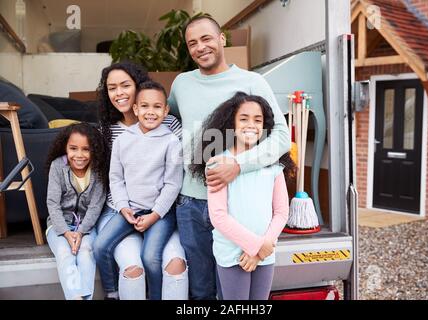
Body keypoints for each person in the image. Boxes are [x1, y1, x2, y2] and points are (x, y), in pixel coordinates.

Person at [168, 15, 291, 299]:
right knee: (200, 291)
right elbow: (166, 120)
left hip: (238, 208)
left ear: (222, 39)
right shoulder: (181, 84)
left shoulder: (252, 82)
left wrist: (237, 165)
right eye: (192, 43)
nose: (200, 47)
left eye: (206, 38)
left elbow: (282, 137)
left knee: (234, 292)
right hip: (191, 205)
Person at [94, 61, 188, 300]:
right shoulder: (116, 135)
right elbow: (115, 178)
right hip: (125, 208)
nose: (119, 92)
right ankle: (113, 293)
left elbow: (174, 181)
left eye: (125, 85)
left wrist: (155, 214)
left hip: (160, 211)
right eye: (112, 88)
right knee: (101, 246)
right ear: (136, 108)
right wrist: (124, 207)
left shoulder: (170, 134)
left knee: (150, 256)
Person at [190, 92, 293, 300]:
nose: (251, 125)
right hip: (232, 254)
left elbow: (281, 212)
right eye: (243, 119)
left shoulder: (273, 164)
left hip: (265, 254)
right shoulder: (218, 164)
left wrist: (261, 249)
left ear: (265, 127)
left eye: (258, 120)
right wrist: (255, 247)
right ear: (232, 123)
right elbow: (218, 216)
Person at [46, 123, 108, 300]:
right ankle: (75, 297)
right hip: (59, 226)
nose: (79, 155)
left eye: (86, 149)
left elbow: (96, 206)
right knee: (65, 254)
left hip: (86, 226)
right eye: (73, 148)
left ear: (94, 151)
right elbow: (53, 203)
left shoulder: (98, 170)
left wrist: (80, 232)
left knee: (87, 252)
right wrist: (66, 233)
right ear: (65, 147)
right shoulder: (58, 166)